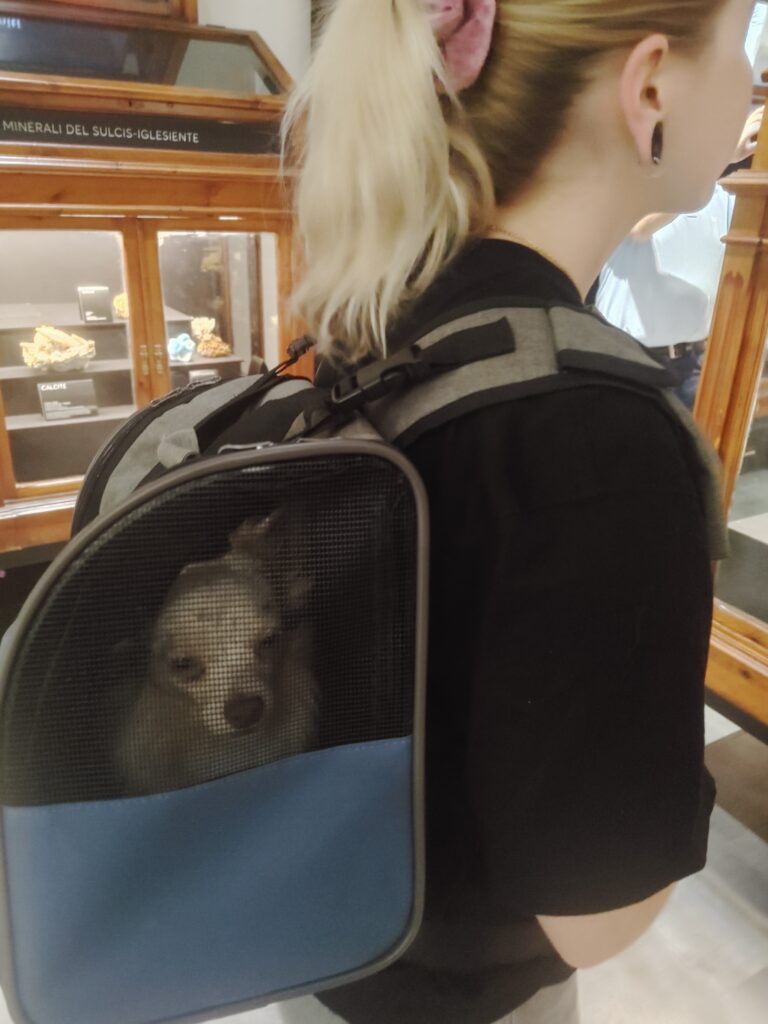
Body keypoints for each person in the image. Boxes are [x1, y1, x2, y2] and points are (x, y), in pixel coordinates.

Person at [253, 2, 754, 1022]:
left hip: (321, 947)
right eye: (741, 44)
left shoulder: (384, 305)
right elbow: (596, 918)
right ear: (649, 84)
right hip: (458, 998)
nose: (753, 88)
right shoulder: (603, 436)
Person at [595, 105, 763, 411]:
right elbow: (640, 228)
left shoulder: (722, 197)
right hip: (627, 363)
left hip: (691, 368)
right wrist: (721, 159)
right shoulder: (633, 185)